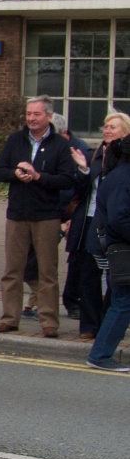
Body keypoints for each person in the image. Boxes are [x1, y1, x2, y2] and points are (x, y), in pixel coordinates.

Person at [0, 96, 82, 338]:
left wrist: (39, 176)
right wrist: (15, 174)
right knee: (12, 270)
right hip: (17, 214)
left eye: (37, 114)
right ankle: (9, 318)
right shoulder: (15, 140)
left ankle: (49, 321)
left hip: (46, 216)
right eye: (28, 114)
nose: (31, 118)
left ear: (49, 116)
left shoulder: (59, 145)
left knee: (47, 272)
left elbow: (67, 180)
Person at [67, 113, 130, 341]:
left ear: (126, 132)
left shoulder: (124, 159)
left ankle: (108, 325)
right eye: (105, 126)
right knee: (89, 276)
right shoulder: (94, 155)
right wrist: (84, 170)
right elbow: (80, 191)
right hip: (90, 221)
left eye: (112, 127)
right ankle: (89, 326)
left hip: (113, 224)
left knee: (116, 278)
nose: (107, 130)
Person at [86, 132, 130, 371]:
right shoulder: (123, 178)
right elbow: (118, 219)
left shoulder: (119, 175)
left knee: (121, 302)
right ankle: (100, 354)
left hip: (119, 248)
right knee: (122, 303)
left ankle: (101, 353)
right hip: (121, 249)